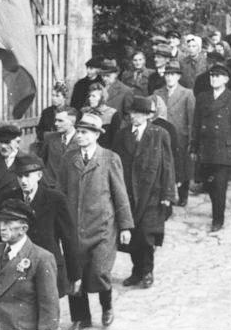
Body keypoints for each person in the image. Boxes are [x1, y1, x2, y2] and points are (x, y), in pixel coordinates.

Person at [57, 113, 134, 329]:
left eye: (84, 132)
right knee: (75, 273)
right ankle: (81, 317)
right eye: (78, 132)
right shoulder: (68, 159)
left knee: (100, 272)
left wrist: (125, 226)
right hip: (74, 229)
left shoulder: (109, 158)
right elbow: (60, 192)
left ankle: (107, 307)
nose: (79, 136)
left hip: (102, 229)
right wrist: (59, 223)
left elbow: (120, 194)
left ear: (96, 135)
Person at [112, 97, 175, 288]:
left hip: (152, 192)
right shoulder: (122, 135)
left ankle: (147, 271)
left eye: (139, 113)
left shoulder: (159, 134)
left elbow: (168, 165)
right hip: (128, 193)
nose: (134, 116)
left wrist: (168, 195)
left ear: (148, 115)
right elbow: (114, 164)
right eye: (132, 112)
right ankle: (136, 271)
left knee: (147, 235)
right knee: (132, 234)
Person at [0, 199, 60, 330]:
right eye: (1, 222)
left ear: (23, 229)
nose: (2, 227)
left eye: (8, 223)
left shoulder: (41, 258)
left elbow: (49, 308)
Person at [0, 154, 81, 299]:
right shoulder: (9, 198)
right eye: (19, 176)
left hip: (47, 266)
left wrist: (75, 275)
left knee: (47, 308)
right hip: (17, 267)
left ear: (39, 175)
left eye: (27, 176)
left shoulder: (55, 199)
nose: (23, 181)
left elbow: (69, 238)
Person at [190, 64, 231, 232]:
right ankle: (217, 211)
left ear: (226, 80)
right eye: (212, 76)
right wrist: (194, 147)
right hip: (206, 148)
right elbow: (196, 123)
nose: (213, 79)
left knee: (220, 186)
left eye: (217, 76)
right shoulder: (202, 97)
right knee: (209, 184)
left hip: (224, 148)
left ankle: (218, 219)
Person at [152, 60, 195, 206]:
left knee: (181, 165)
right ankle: (166, 195)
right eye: (167, 75)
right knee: (164, 165)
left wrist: (191, 139)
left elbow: (191, 119)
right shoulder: (158, 93)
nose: (170, 78)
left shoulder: (187, 93)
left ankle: (183, 195)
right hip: (161, 135)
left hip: (180, 136)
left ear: (178, 77)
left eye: (173, 75)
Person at [38, 106, 80, 189]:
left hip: (73, 188)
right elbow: (41, 160)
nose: (56, 124)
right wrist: (46, 180)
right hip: (50, 187)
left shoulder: (82, 140)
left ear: (72, 122)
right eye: (55, 120)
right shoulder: (49, 137)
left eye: (60, 121)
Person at [81, 82, 121, 148]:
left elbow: (115, 140)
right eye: (89, 96)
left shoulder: (113, 113)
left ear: (102, 98)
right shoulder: (84, 112)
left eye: (93, 96)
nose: (90, 98)